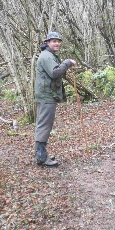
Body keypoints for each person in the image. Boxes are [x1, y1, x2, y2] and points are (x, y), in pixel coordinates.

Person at [34, 32, 76, 166]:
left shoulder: (49, 55)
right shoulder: (46, 56)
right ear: (47, 43)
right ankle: (41, 156)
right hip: (46, 96)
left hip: (48, 95)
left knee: (45, 124)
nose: (56, 43)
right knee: (44, 125)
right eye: (53, 41)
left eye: (58, 41)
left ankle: (41, 155)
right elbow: (54, 72)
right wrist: (67, 63)